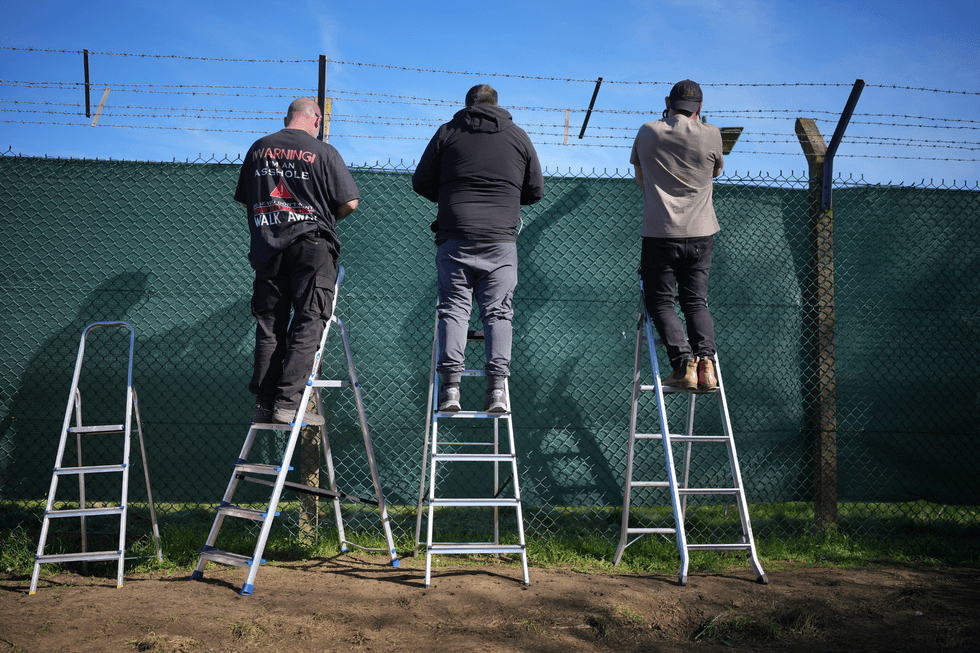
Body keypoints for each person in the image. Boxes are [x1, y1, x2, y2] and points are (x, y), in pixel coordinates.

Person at [412, 84, 544, 413]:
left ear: (467, 104)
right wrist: (507, 198)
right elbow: (535, 190)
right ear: (497, 104)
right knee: (499, 313)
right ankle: (497, 390)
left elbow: (420, 181)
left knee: (454, 309)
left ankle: (450, 391)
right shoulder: (518, 136)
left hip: (455, 236)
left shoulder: (447, 132)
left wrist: (450, 196)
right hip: (500, 240)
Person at [235, 97, 360, 426]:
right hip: (311, 244)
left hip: (268, 246)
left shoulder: (258, 149)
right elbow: (350, 201)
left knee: (269, 327)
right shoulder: (324, 152)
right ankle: (289, 405)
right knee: (309, 321)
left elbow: (248, 198)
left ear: (287, 117)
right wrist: (323, 219)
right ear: (316, 121)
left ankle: (264, 403)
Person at [630, 79, 724, 392]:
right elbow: (716, 173)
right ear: (700, 106)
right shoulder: (712, 133)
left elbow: (640, 179)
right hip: (701, 233)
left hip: (660, 232)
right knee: (696, 302)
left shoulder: (649, 130)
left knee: (661, 302)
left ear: (667, 102)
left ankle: (683, 363)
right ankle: (707, 365)